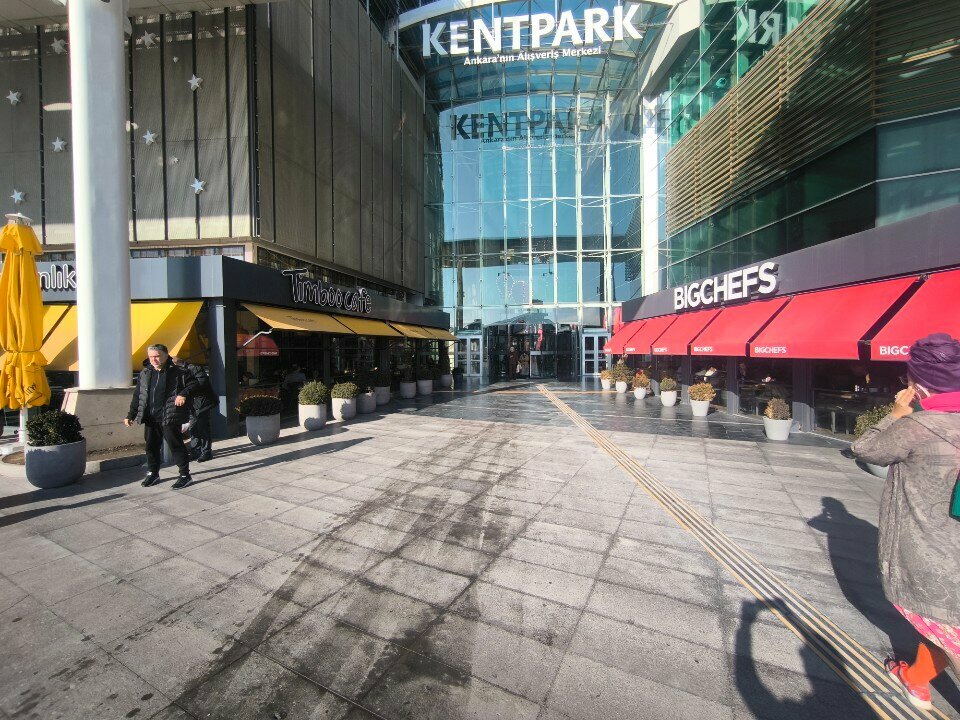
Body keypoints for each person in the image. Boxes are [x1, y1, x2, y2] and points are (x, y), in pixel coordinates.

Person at [851, 332, 960, 711]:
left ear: (918, 384)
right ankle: (916, 681)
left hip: (932, 555)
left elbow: (865, 449)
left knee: (944, 624)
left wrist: (896, 414)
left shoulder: (919, 426)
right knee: (940, 628)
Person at [124, 344, 198, 489]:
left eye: (157, 356)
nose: (154, 359)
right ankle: (153, 473)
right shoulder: (145, 373)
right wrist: (131, 415)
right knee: (151, 447)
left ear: (166, 355)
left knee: (176, 446)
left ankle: (185, 475)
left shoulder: (179, 372)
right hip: (151, 417)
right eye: (151, 356)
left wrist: (183, 394)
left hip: (169, 416)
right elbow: (138, 395)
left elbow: (195, 384)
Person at [172, 356, 218, 463]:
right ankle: (195, 450)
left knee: (202, 427)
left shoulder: (194, 368)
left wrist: (186, 390)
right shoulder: (182, 371)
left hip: (202, 403)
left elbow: (202, 383)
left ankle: (206, 451)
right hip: (193, 403)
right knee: (193, 427)